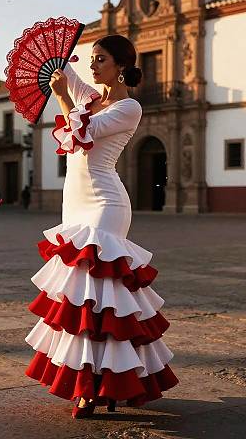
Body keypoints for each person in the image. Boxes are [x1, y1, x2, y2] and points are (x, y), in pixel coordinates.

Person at [24, 35, 179, 418]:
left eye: (100, 59)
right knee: (78, 297)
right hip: (74, 201)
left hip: (105, 204)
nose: (92, 65)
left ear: (120, 66)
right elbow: (69, 76)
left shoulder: (129, 108)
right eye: (92, 58)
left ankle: (94, 389)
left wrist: (61, 95)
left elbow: (82, 137)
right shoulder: (91, 98)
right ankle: (88, 382)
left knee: (101, 296)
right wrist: (61, 69)